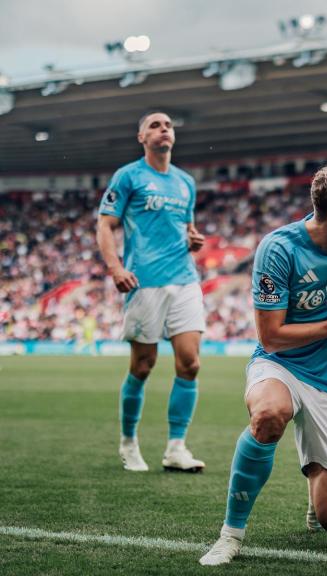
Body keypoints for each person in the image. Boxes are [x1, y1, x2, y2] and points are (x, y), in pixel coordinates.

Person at [199, 163, 327, 566]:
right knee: (270, 415)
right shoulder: (279, 248)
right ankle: (230, 534)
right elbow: (271, 336)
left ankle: (315, 472)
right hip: (280, 365)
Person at [96, 111, 207, 474]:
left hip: (185, 279)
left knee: (190, 363)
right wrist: (115, 267)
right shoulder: (128, 176)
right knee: (143, 366)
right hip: (145, 281)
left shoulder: (185, 182)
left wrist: (193, 239)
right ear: (141, 136)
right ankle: (129, 443)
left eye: (169, 125)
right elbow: (106, 224)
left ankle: (176, 448)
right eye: (155, 125)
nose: (164, 130)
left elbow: (187, 227)